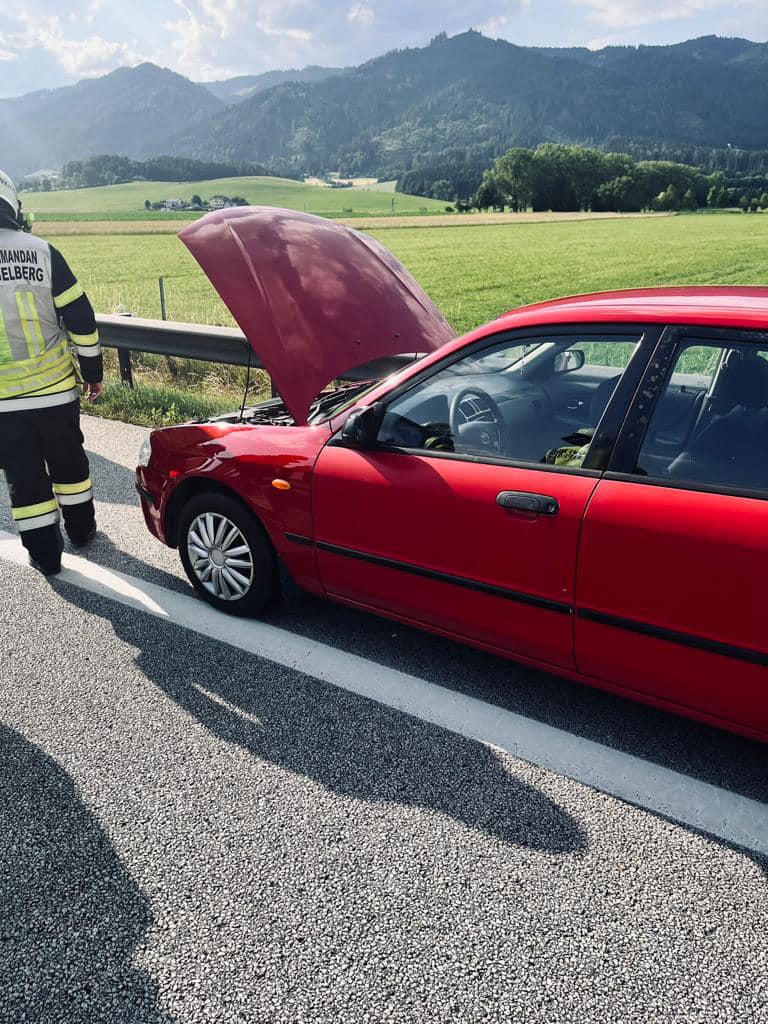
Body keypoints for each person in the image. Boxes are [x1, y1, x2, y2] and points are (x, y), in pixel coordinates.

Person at [0, 169, 103, 576]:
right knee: (69, 464)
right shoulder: (42, 252)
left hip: (4, 402)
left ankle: (46, 555)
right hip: (56, 391)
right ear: (13, 204)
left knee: (24, 479)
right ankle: (81, 531)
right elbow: (80, 317)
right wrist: (92, 370)